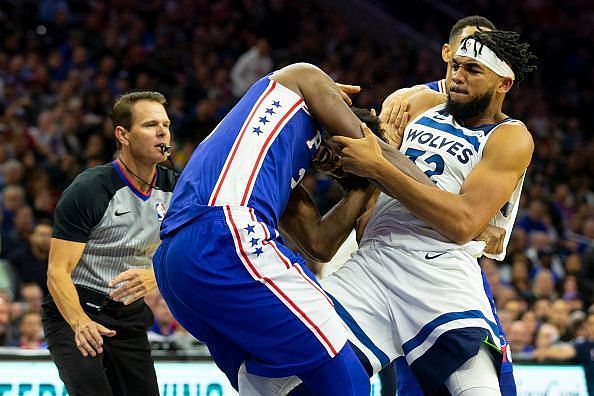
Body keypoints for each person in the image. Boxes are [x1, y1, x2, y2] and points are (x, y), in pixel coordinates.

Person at [153, 63, 433, 395]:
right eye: (342, 155)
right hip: (226, 232)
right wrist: (446, 204)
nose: (335, 164)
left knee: (274, 386)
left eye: (342, 171)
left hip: (177, 263)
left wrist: (364, 186)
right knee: (345, 368)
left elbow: (320, 244)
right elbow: (377, 152)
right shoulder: (304, 79)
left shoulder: (278, 162)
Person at [327, 29, 536, 395]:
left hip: (440, 264)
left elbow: (462, 223)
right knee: (291, 370)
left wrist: (379, 166)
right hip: (375, 258)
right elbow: (371, 170)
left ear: (503, 82)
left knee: (478, 389)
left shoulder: (509, 136)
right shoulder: (418, 103)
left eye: (473, 70)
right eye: (456, 65)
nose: (457, 75)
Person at [42, 91, 177, 396]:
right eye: (150, 125)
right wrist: (80, 324)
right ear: (123, 135)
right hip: (75, 310)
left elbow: (191, 251)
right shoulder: (90, 189)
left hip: (128, 315)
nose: (162, 132)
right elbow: (57, 272)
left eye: (166, 125)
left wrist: (155, 274)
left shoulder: (177, 189)